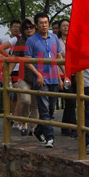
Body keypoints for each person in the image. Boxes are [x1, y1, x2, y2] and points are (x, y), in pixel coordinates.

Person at [25, 12, 65, 148]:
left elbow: (58, 57)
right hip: (41, 80)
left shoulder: (54, 38)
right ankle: (50, 137)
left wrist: (64, 75)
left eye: (46, 22)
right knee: (44, 109)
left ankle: (38, 130)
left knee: (51, 109)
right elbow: (27, 61)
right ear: (36, 25)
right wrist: (38, 74)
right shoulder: (31, 41)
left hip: (54, 78)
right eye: (41, 23)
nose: (44, 25)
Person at [11, 18, 39, 135]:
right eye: (26, 27)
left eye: (31, 27)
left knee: (35, 104)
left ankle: (34, 127)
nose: (29, 29)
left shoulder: (40, 40)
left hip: (38, 77)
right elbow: (13, 59)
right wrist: (8, 75)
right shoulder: (20, 42)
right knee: (25, 100)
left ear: (35, 27)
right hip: (24, 76)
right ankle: (24, 123)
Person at [58, 19, 77, 137]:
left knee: (72, 102)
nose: (66, 27)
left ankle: (65, 127)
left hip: (75, 75)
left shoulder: (74, 41)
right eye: (63, 26)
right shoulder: (58, 42)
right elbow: (58, 59)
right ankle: (74, 127)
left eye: (68, 25)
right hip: (62, 75)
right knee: (70, 100)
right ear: (60, 29)